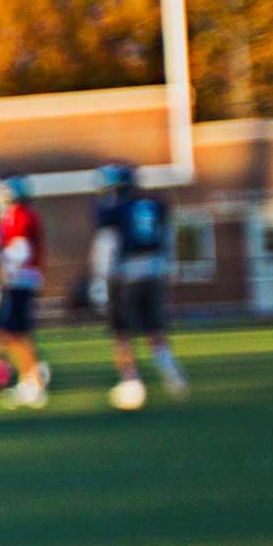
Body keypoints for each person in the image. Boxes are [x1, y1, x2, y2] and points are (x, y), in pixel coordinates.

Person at [93, 161, 187, 409]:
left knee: (122, 332)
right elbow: (167, 237)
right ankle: (170, 372)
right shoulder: (154, 205)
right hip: (155, 270)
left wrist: (101, 281)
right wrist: (168, 266)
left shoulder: (114, 210)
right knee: (154, 327)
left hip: (127, 273)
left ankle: (131, 382)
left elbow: (108, 245)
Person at [0, 177, 50, 407]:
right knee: (10, 333)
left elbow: (20, 250)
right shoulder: (15, 215)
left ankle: (33, 379)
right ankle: (29, 376)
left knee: (17, 333)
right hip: (17, 280)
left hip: (18, 280)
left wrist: (0, 269)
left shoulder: (19, 215)